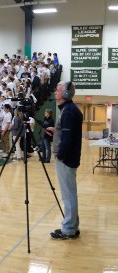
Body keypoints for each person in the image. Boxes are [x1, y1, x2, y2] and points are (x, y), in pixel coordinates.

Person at [48, 81, 83, 240]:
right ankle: (73, 226)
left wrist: (60, 155)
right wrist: (56, 131)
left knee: (68, 195)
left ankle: (69, 229)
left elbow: (68, 139)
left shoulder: (68, 111)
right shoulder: (69, 110)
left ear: (66, 94)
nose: (56, 92)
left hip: (66, 159)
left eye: (58, 90)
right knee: (70, 194)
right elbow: (67, 132)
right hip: (69, 158)